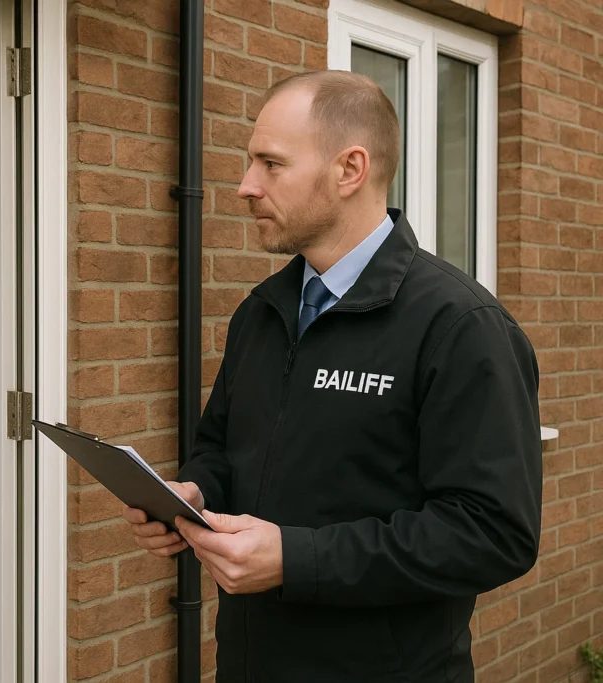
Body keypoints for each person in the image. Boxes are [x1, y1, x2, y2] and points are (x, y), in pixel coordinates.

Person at [124, 70, 542, 682]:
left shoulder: (459, 324)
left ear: (350, 170)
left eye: (271, 164)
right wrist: (195, 495)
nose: (244, 187)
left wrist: (297, 559)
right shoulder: (262, 311)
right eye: (250, 163)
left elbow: (493, 533)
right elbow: (220, 445)